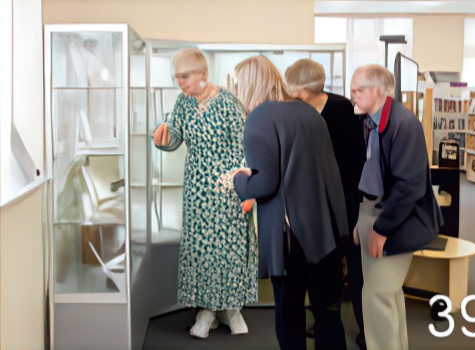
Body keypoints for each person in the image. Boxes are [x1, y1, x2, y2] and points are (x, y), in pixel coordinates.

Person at [232, 55, 349, 350]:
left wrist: (237, 180)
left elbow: (265, 183)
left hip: (290, 238)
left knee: (289, 315)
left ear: (246, 87)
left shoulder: (260, 117)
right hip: (325, 233)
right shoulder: (308, 112)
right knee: (327, 315)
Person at [152, 47, 257, 339]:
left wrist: (246, 190)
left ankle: (230, 308)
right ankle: (208, 310)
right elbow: (173, 139)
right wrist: (161, 136)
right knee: (200, 250)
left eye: (185, 76)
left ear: (203, 74)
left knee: (228, 250)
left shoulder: (228, 103)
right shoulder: (183, 104)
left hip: (227, 189)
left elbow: (245, 149)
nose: (181, 83)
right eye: (177, 77)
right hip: (196, 189)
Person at [351, 64, 441, 350]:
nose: (352, 95)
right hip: (372, 211)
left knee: (378, 294)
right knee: (385, 295)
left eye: (359, 90)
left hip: (393, 219)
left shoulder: (404, 124)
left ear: (378, 91)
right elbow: (371, 174)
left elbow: (409, 187)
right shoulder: (370, 121)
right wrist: (362, 220)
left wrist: (380, 228)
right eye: (353, 89)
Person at [285, 58, 367, 350]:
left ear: (303, 90)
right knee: (314, 275)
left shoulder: (344, 111)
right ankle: (320, 320)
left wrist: (348, 216)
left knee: (346, 275)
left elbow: (354, 167)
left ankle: (358, 330)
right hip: (308, 210)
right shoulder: (297, 113)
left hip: (341, 209)